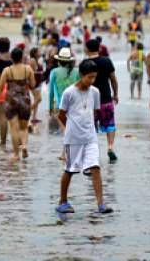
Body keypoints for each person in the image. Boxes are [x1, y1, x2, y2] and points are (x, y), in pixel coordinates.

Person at [56, 58, 113, 215]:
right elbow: (61, 115)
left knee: (95, 167)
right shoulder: (69, 93)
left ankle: (101, 204)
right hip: (73, 139)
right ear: (81, 75)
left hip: (90, 137)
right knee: (70, 170)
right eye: (89, 77)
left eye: (94, 77)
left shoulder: (95, 92)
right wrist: (71, 129)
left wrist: (90, 128)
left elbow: (94, 113)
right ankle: (62, 201)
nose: (91, 80)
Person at [84, 38, 120, 162]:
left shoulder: (85, 64)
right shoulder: (106, 61)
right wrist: (115, 94)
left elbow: (81, 83)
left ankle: (93, 151)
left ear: (87, 49)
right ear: (99, 48)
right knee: (110, 125)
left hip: (89, 102)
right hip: (106, 99)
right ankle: (110, 147)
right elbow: (113, 79)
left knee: (91, 127)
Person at [0, 47, 36, 161]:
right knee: (24, 128)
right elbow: (33, 85)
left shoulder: (7, 70)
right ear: (22, 57)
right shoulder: (28, 69)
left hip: (11, 100)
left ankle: (16, 154)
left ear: (11, 58)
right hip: (25, 100)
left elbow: (1, 87)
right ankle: (24, 145)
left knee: (14, 128)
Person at [47, 47, 79, 131]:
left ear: (58, 61)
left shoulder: (54, 72)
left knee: (61, 130)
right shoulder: (77, 71)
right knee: (72, 129)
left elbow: (51, 92)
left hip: (59, 105)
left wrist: (50, 107)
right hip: (74, 105)